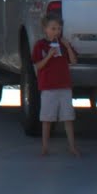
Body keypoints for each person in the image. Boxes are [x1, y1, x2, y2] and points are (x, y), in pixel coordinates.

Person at [32, 13, 80, 156]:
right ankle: (45, 147)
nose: (56, 32)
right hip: (48, 87)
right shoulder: (40, 45)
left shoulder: (63, 44)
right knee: (47, 118)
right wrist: (48, 55)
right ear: (45, 29)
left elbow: (74, 61)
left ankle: (72, 146)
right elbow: (38, 65)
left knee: (68, 117)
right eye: (53, 28)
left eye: (58, 29)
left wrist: (68, 47)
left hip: (64, 86)